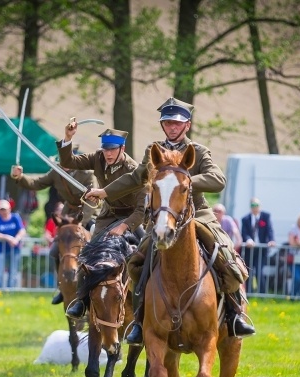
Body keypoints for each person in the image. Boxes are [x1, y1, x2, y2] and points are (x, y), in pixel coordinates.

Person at [84, 97, 254, 341]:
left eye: (177, 123)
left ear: (187, 125)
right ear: (163, 125)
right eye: (168, 123)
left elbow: (218, 179)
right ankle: (140, 322)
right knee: (136, 263)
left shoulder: (199, 151)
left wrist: (180, 182)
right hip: (164, 219)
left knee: (227, 255)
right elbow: (135, 177)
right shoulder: (154, 151)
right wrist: (105, 191)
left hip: (199, 215)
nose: (172, 127)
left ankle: (234, 315)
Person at [55, 126, 146, 320]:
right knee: (88, 254)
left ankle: (144, 304)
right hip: (107, 216)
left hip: (131, 218)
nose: (108, 153)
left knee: (146, 255)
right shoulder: (98, 158)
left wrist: (123, 227)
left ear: (123, 149)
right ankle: (81, 301)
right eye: (105, 149)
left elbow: (141, 210)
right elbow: (68, 161)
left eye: (113, 149)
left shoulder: (134, 170)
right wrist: (68, 138)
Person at [10, 155, 98, 304]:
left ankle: (98, 284)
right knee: (54, 250)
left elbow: (91, 199)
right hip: (67, 216)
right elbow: (36, 183)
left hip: (87, 214)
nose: (62, 164)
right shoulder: (56, 172)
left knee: (97, 243)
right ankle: (62, 288)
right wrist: (20, 177)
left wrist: (81, 223)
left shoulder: (87, 173)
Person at [241, 198, 275, 294]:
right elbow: (244, 233)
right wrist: (248, 240)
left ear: (260, 206)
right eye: (253, 205)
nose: (255, 208)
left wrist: (271, 240)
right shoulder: (245, 219)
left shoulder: (266, 216)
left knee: (259, 271)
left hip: (261, 250)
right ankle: (248, 293)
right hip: (250, 250)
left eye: (256, 205)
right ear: (250, 207)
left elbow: (270, 230)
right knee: (249, 273)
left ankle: (262, 294)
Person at [0, 199, 26, 288]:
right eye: (1, 209)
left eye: (4, 209)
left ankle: (11, 292)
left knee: (13, 272)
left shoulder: (15, 218)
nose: (3, 211)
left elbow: (22, 231)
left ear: (9, 209)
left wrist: (16, 239)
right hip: (1, 250)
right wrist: (8, 238)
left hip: (14, 250)